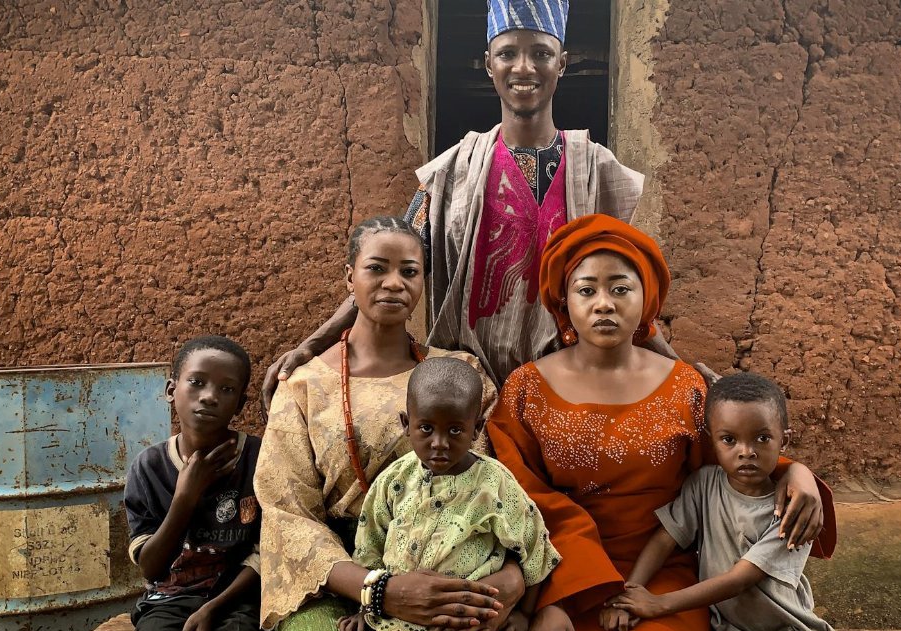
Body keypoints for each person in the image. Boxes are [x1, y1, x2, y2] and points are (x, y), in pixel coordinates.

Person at [486, 214, 836, 631]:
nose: (603, 304)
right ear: (563, 301)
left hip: (661, 583)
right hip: (559, 576)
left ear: (645, 298)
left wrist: (794, 472)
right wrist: (554, 600)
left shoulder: (684, 388)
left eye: (620, 288)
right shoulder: (525, 390)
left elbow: (732, 460)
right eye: (586, 290)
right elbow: (524, 503)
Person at [261, 0, 661, 401]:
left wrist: (681, 364)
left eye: (541, 53)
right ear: (489, 64)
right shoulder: (451, 172)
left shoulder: (597, 170)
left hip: (570, 390)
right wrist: (313, 344)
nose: (523, 68)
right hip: (467, 395)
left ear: (563, 62)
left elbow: (625, 286)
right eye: (508, 53)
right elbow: (395, 268)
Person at [254, 216, 517, 631]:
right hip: (334, 589)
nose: (393, 283)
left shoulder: (460, 376)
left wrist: (500, 588)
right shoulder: (305, 386)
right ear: (349, 277)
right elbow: (287, 514)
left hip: (450, 579)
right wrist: (381, 589)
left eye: (409, 271)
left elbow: (496, 492)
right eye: (377, 268)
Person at [607, 372, 853, 631]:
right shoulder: (703, 485)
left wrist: (658, 604)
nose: (746, 451)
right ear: (713, 442)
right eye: (729, 439)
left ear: (784, 440)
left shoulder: (792, 510)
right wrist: (632, 592)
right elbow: (664, 538)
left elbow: (741, 579)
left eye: (762, 438)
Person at [337, 357, 560, 631]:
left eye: (455, 430)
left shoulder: (494, 485)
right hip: (403, 612)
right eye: (426, 428)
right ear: (406, 423)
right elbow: (371, 540)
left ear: (477, 428)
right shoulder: (394, 480)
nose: (439, 443)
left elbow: (534, 545)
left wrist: (523, 614)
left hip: (470, 615)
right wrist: (367, 607)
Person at [123, 335, 265, 631]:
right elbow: (151, 568)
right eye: (197, 382)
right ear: (172, 390)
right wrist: (185, 495)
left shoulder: (260, 460)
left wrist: (212, 609)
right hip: (166, 603)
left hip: (237, 603)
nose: (210, 397)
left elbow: (267, 555)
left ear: (241, 403)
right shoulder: (150, 466)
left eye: (226, 389)